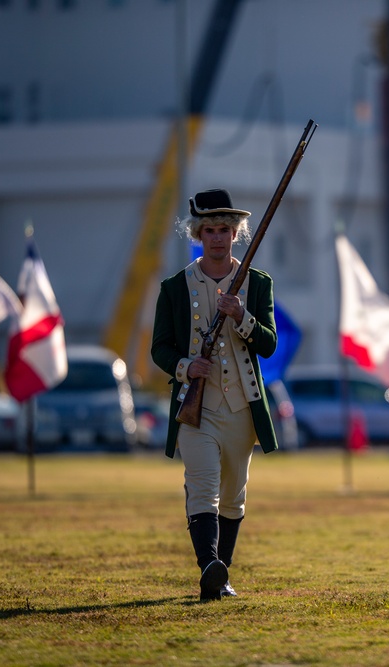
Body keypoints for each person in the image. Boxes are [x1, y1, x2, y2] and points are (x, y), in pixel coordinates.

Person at [151, 188, 279, 601]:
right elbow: (160, 347)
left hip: (242, 406)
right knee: (202, 486)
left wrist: (243, 316)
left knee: (234, 494)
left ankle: (218, 578)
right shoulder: (174, 288)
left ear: (236, 233)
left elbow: (269, 344)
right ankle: (209, 566)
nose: (218, 238)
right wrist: (188, 367)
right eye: (210, 230)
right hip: (197, 407)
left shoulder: (257, 285)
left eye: (225, 229)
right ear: (198, 234)